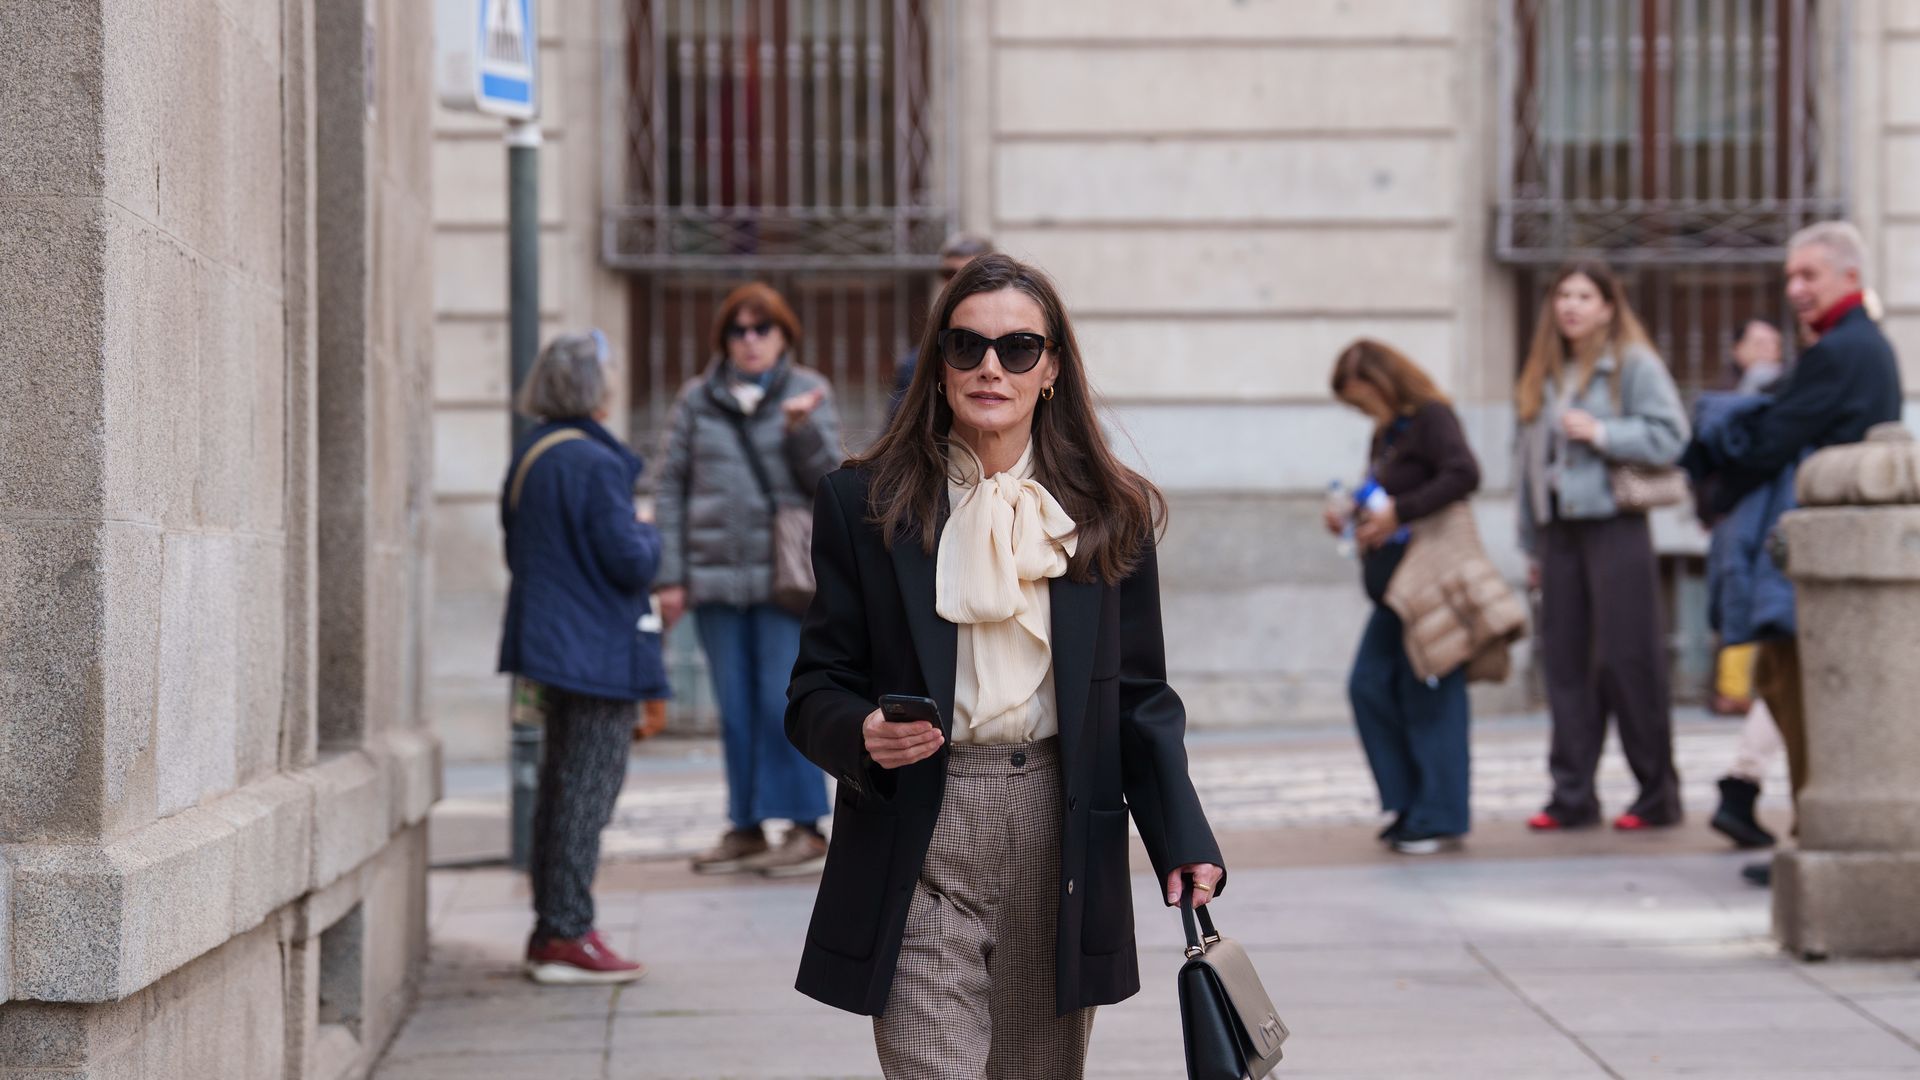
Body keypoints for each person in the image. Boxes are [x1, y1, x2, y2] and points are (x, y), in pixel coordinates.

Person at [786, 254, 1225, 1078]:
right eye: (967, 347)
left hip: (1059, 830)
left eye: (1019, 349)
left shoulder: (1109, 513)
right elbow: (815, 687)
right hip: (918, 827)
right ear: (939, 364)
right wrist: (863, 733)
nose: (992, 367)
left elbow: (1138, 698)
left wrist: (1181, 836)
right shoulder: (863, 502)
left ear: (1052, 368)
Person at [1681, 221, 1905, 884]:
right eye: (1790, 277)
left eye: (1809, 275)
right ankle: (1815, 833)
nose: (1796, 288)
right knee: (1787, 681)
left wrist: (1719, 476)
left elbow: (1773, 438)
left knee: (1795, 684)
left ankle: (1819, 837)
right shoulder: (1852, 345)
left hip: (1818, 555)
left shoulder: (1843, 350)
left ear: (1850, 278)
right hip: (1833, 551)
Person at [655, 283, 843, 877]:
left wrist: (799, 432)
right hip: (713, 581)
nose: (751, 340)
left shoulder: (809, 393)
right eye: (739, 330)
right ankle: (746, 827)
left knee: (778, 702)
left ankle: (806, 827)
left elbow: (831, 483)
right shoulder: (697, 400)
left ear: (784, 335)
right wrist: (671, 575)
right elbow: (669, 487)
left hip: (782, 581)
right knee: (733, 709)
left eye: (763, 329)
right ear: (724, 340)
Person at [498, 330, 664, 985]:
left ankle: (555, 927)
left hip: (549, 641)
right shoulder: (593, 463)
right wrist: (649, 534)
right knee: (586, 792)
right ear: (595, 388)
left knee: (560, 788)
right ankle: (568, 932)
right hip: (594, 648)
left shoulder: (533, 451)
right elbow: (627, 560)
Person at [1515, 261, 1690, 832]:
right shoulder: (1546, 371)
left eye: (1584, 295)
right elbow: (1529, 468)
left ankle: (1656, 796)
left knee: (1627, 661)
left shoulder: (1632, 364)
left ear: (1608, 306)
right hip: (1559, 532)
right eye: (1563, 294)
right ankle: (1572, 796)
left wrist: (1603, 433)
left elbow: (1671, 435)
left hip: (1616, 526)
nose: (1571, 305)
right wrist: (1531, 543)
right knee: (1565, 665)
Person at [1325, 340, 1482, 855]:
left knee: (1429, 691)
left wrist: (1401, 511)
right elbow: (1384, 499)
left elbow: (1464, 474)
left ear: (1381, 381)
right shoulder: (1387, 433)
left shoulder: (1431, 417)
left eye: (1361, 398)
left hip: (1426, 582)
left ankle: (1438, 814)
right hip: (1396, 588)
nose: (1360, 409)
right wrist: (1353, 515)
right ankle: (1412, 804)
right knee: (1372, 685)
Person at [888, 231, 996, 418]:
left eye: (968, 273)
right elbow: (896, 434)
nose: (956, 282)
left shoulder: (1027, 355)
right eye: (949, 273)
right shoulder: (916, 365)